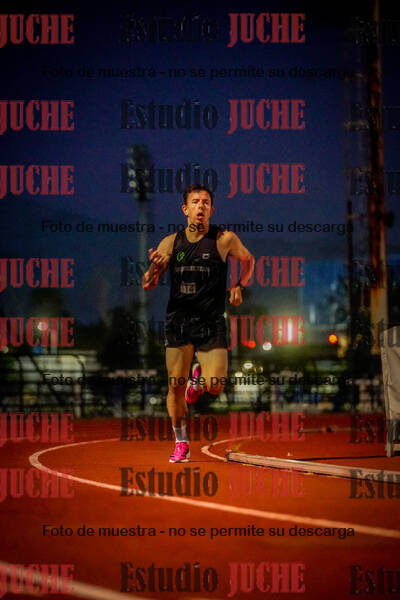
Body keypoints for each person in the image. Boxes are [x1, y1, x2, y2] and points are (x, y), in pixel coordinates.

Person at [142, 184, 254, 462]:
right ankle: (181, 442)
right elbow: (148, 284)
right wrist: (155, 267)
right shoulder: (171, 243)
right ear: (185, 209)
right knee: (175, 387)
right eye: (195, 202)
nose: (200, 206)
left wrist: (239, 285)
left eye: (205, 202)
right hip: (178, 322)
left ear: (211, 209)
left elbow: (249, 260)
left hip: (211, 323)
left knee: (215, 384)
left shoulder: (224, 239)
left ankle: (199, 382)